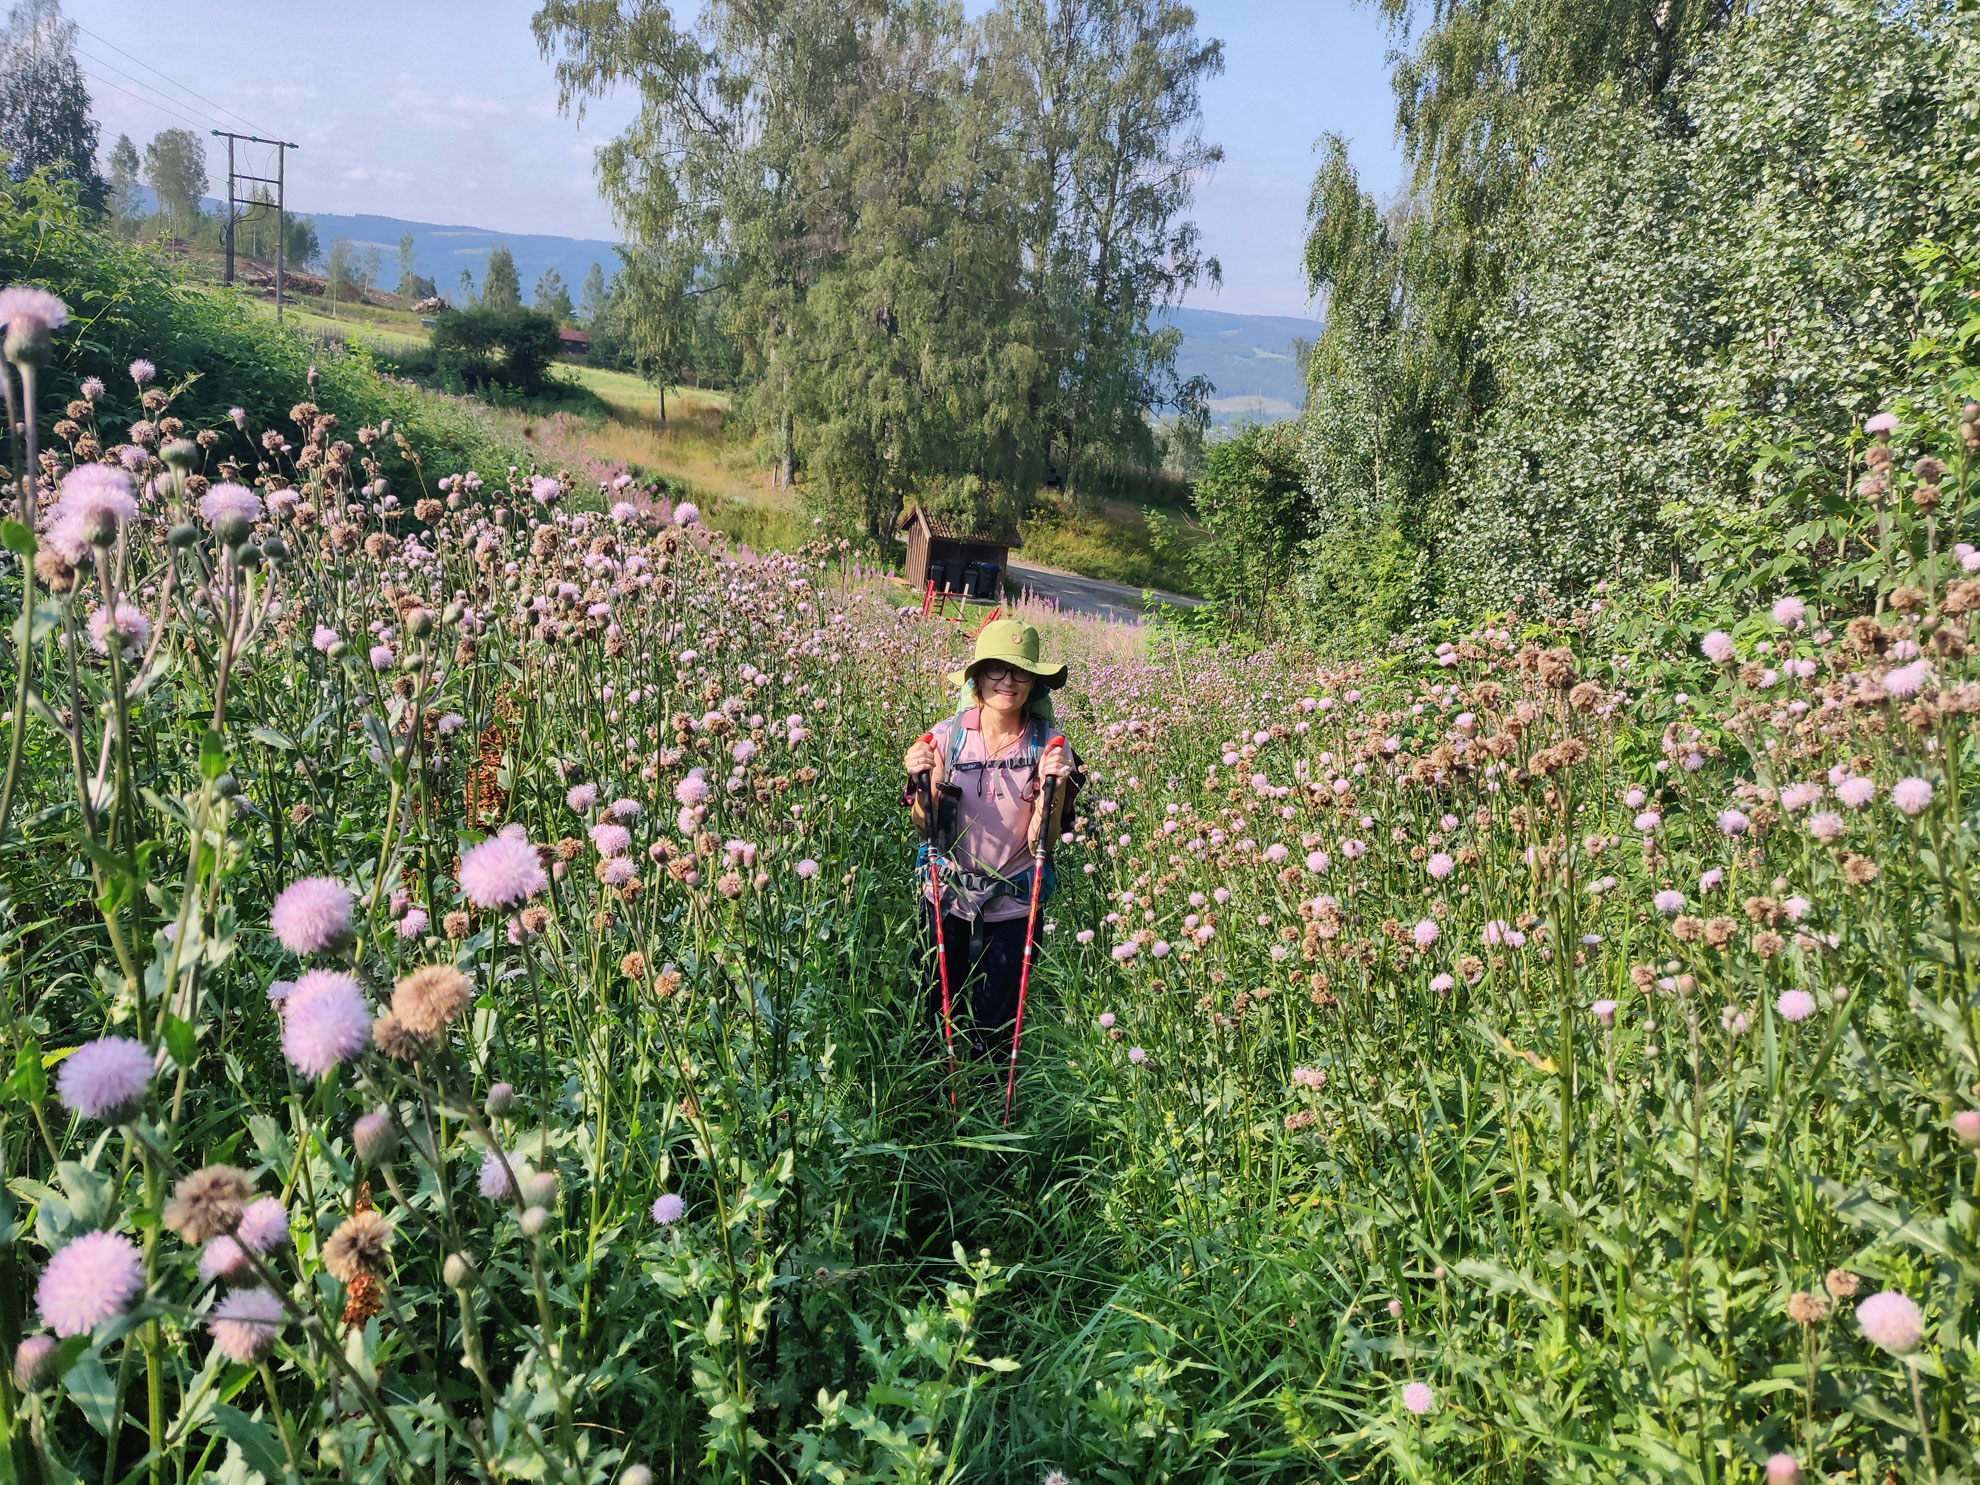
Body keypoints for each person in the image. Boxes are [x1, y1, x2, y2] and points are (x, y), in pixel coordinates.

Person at [900, 619, 1080, 1064]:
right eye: (996, 669)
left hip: (1016, 902)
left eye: (1020, 672)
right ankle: (932, 1096)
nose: (1008, 682)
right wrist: (926, 781)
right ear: (977, 677)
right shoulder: (944, 738)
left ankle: (987, 1089)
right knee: (936, 1010)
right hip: (946, 895)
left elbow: (1046, 842)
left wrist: (1050, 794)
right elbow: (926, 828)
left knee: (998, 1022)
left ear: (1034, 681)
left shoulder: (1052, 749)